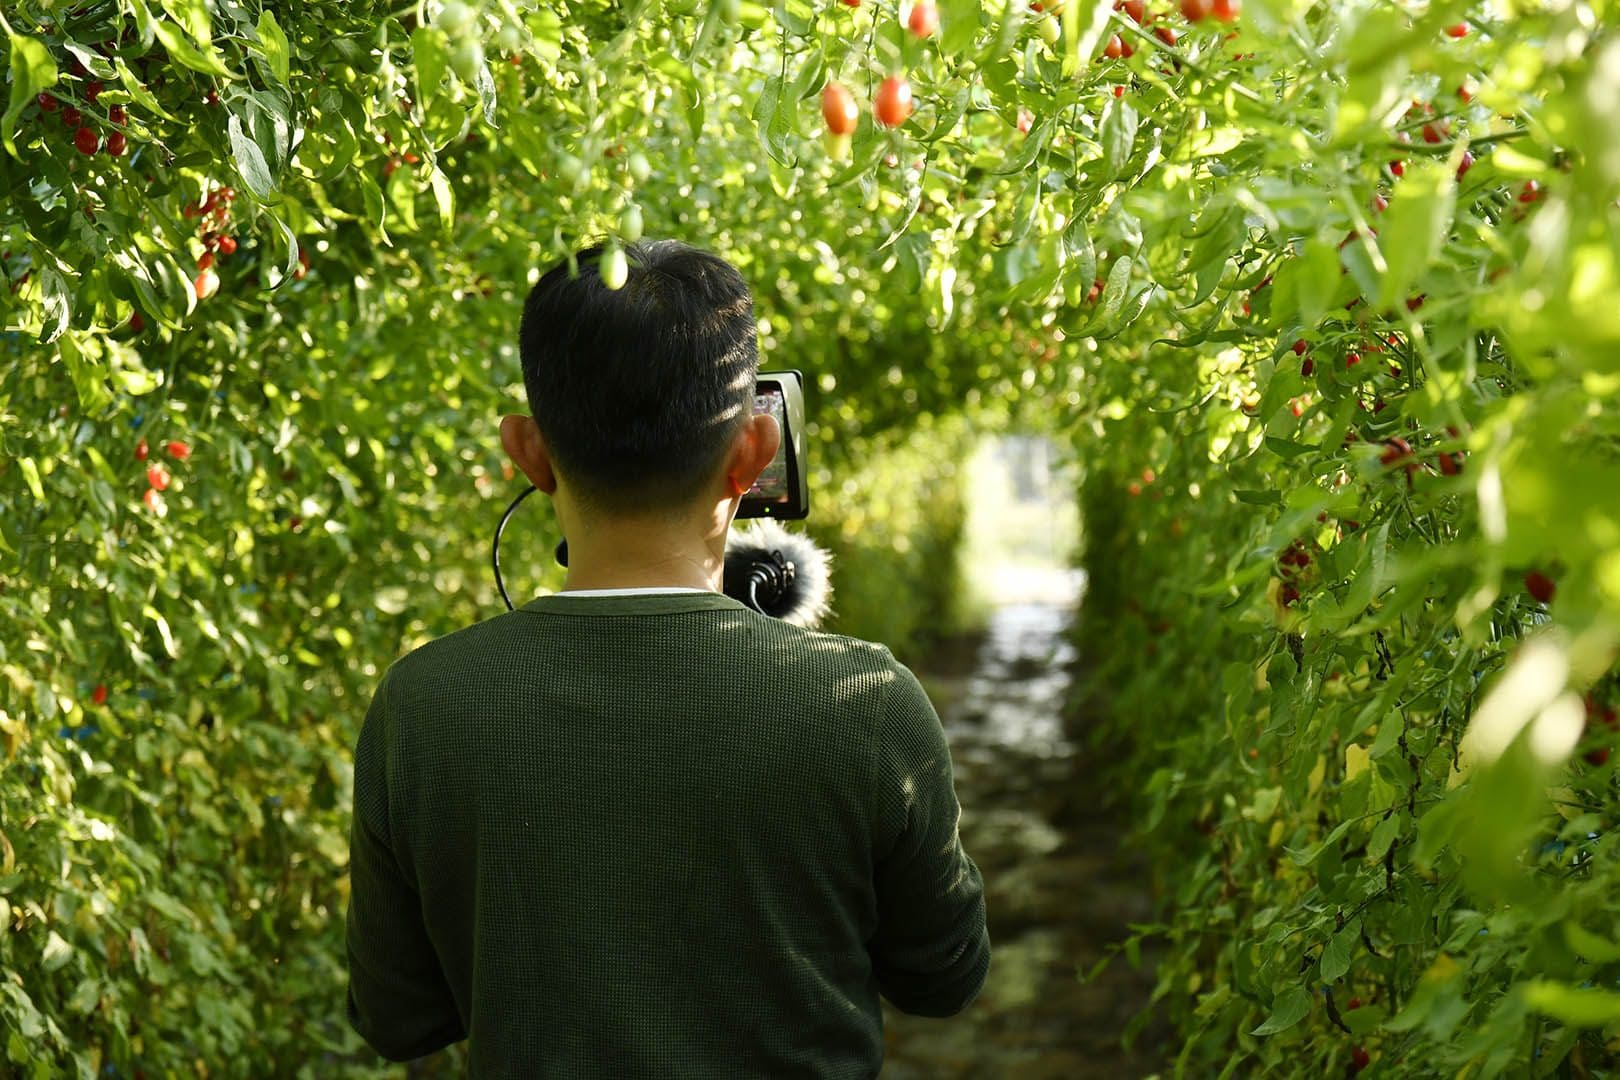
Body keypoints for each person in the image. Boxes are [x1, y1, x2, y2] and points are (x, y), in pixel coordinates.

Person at [343, 239, 991, 1078]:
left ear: (528, 453)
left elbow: (396, 1018)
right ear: (755, 453)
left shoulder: (423, 706)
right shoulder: (864, 702)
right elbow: (945, 977)